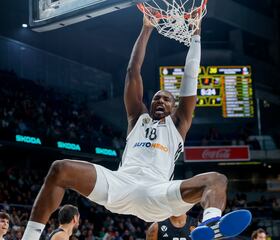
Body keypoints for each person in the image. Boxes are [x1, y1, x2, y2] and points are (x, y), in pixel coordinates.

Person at [21, 13, 251, 240]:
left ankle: (211, 225)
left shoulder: (178, 124)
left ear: (174, 106)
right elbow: (133, 72)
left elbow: (191, 75)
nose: (160, 101)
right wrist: (146, 28)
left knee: (217, 179)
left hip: (158, 192)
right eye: (156, 98)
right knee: (60, 168)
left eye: (166, 99)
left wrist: (196, 35)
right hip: (121, 184)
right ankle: (30, 237)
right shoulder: (137, 117)